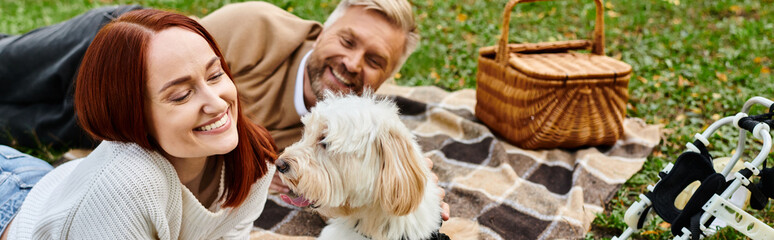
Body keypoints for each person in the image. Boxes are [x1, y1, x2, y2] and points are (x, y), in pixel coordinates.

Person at [1, 9, 278, 239]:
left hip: (41, 184)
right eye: (181, 95)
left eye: (215, 75)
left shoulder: (253, 158)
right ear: (132, 114)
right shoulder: (128, 188)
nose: (218, 104)